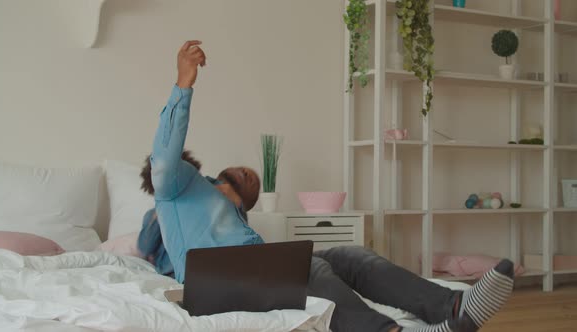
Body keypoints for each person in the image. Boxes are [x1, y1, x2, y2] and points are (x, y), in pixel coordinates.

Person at [138, 40, 515, 332]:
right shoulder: (173, 188)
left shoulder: (223, 205)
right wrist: (183, 85)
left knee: (350, 256)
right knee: (312, 270)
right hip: (210, 283)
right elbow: (164, 156)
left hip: (248, 270)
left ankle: (451, 307)